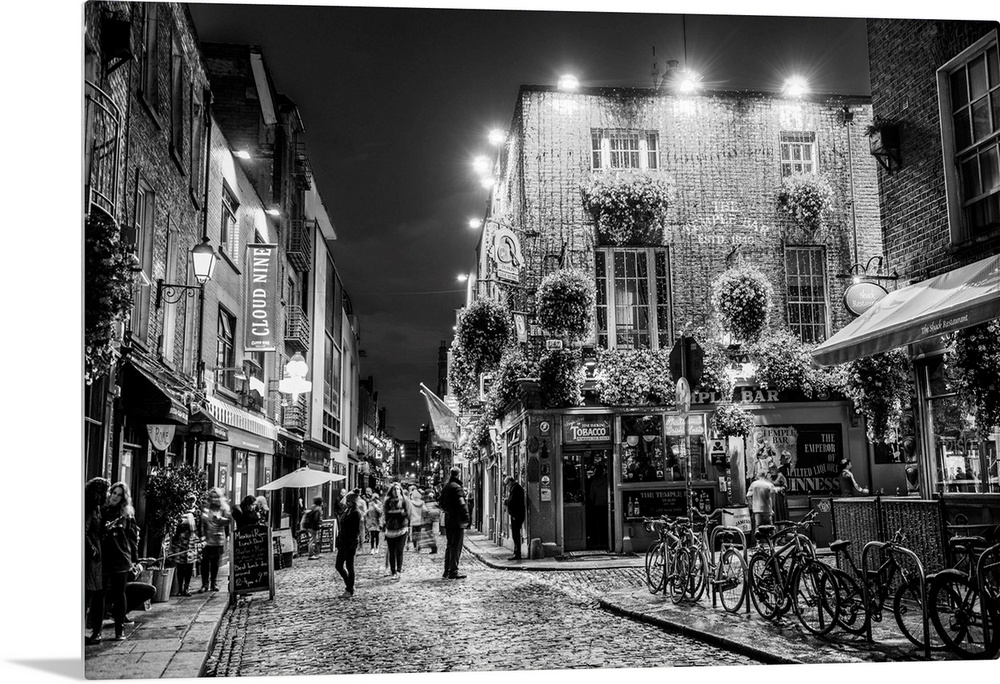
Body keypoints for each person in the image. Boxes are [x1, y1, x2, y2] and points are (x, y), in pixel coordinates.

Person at [94, 481, 139, 641]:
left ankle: (120, 630)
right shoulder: (101, 511)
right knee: (99, 596)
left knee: (119, 594)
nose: (115, 497)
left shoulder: (126, 515)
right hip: (102, 558)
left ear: (123, 498)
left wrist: (135, 559)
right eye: (114, 493)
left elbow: (133, 539)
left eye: (119, 495)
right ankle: (96, 631)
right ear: (110, 493)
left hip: (120, 559)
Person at [84, 477, 110, 645]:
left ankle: (96, 631)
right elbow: (83, 531)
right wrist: (92, 550)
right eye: (106, 491)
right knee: (89, 594)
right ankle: (94, 631)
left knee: (97, 594)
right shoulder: (89, 509)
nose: (108, 495)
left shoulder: (99, 509)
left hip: (98, 557)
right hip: (92, 559)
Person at [439, 467, 469, 580]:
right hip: (456, 520)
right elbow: (462, 504)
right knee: (456, 546)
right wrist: (466, 517)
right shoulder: (456, 488)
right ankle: (453, 571)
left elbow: (440, 503)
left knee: (450, 545)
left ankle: (446, 570)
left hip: (448, 520)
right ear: (459, 474)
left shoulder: (446, 487)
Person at [198, 488, 231, 592]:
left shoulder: (223, 509)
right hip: (206, 539)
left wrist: (220, 520)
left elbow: (228, 521)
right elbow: (202, 523)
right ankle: (204, 584)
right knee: (204, 562)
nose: (214, 499)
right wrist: (202, 537)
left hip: (218, 538)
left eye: (216, 497)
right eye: (212, 497)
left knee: (215, 563)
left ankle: (214, 583)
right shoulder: (205, 508)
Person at [170, 493, 200, 597]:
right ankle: (180, 588)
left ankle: (186, 587)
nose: (190, 503)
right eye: (189, 501)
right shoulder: (179, 512)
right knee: (180, 566)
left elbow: (199, 527)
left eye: (192, 501)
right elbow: (175, 528)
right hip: (180, 542)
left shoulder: (197, 513)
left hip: (191, 542)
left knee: (189, 566)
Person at [336, 491, 363, 598]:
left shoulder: (356, 513)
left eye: (348, 501)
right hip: (343, 542)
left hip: (350, 543)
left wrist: (354, 543)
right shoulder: (347, 511)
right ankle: (350, 585)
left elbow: (356, 530)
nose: (346, 503)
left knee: (349, 566)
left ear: (353, 502)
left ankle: (349, 589)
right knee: (338, 565)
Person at [382, 483, 410, 578]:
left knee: (399, 550)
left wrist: (399, 514)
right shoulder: (388, 501)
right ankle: (392, 571)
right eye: (394, 489)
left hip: (402, 528)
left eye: (398, 489)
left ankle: (398, 571)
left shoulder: (405, 500)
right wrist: (397, 513)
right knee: (391, 551)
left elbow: (407, 513)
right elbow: (386, 513)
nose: (396, 491)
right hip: (390, 529)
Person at [504, 475, 526, 560]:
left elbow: (513, 501)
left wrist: (506, 501)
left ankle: (517, 553)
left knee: (516, 534)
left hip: (516, 514)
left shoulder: (515, 488)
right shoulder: (516, 488)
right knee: (515, 534)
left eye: (507, 484)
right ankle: (516, 553)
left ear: (510, 481)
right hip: (517, 514)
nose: (507, 486)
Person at [422, 489, 440, 555]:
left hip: (428, 520)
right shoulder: (436, 503)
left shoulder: (424, 503)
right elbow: (438, 511)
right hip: (434, 519)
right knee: (433, 533)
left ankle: (433, 547)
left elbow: (424, 511)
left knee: (429, 533)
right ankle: (433, 547)